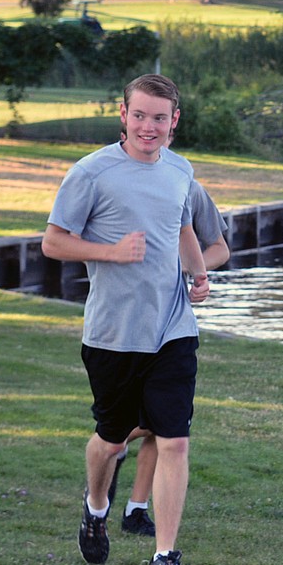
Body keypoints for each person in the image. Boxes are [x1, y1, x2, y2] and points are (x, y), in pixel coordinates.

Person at [42, 73, 212, 565]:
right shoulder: (93, 172)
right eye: (139, 115)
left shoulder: (181, 172)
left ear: (174, 121)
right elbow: (53, 242)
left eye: (159, 118)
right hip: (113, 335)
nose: (148, 126)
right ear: (124, 114)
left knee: (175, 440)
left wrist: (199, 273)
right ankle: (97, 508)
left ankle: (165, 558)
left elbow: (182, 229)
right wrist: (111, 252)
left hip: (173, 331)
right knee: (110, 442)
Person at [108, 159, 231, 539]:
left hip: (174, 327)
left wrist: (193, 272)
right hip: (124, 325)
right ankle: (108, 455)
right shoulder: (113, 182)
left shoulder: (188, 185)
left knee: (169, 428)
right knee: (138, 426)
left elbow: (218, 248)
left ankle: (135, 509)